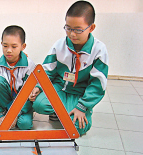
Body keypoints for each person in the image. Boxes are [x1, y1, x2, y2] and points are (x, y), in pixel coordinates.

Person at [30, 1, 109, 135]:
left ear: (91, 27)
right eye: (68, 28)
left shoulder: (99, 50)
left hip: (79, 94)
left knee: (77, 128)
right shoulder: (59, 45)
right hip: (59, 87)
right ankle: (59, 112)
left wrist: (82, 106)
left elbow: (97, 85)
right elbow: (47, 71)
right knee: (38, 104)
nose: (72, 34)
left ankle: (77, 110)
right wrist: (38, 86)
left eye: (78, 29)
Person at [0, 25, 36, 130]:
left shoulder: (29, 65)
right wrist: (0, 114)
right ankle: (5, 111)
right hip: (6, 100)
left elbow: (30, 93)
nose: (9, 50)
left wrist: (16, 113)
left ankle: (14, 113)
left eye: (14, 47)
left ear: (23, 47)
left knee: (25, 125)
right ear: (1, 44)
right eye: (5, 46)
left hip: (23, 104)